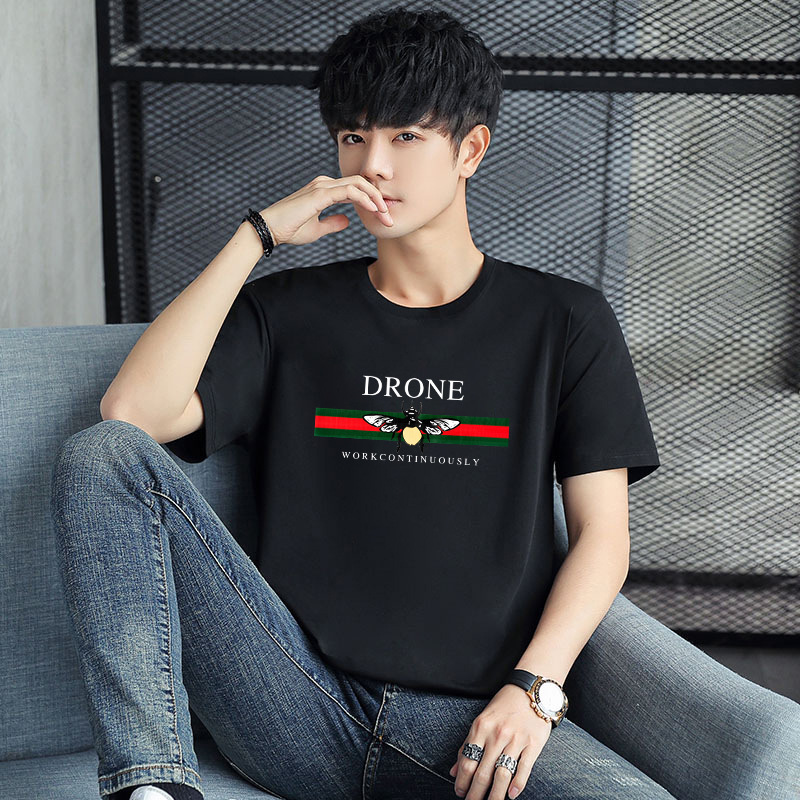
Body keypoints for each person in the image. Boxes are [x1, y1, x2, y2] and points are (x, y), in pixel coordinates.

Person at [51, 6, 667, 800]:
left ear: (470, 149)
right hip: (290, 701)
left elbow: (602, 537)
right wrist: (255, 237)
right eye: (353, 135)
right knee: (100, 455)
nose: (373, 163)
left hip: (469, 723)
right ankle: (152, 789)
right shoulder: (289, 313)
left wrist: (534, 690)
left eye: (406, 136)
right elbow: (131, 414)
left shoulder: (565, 322)